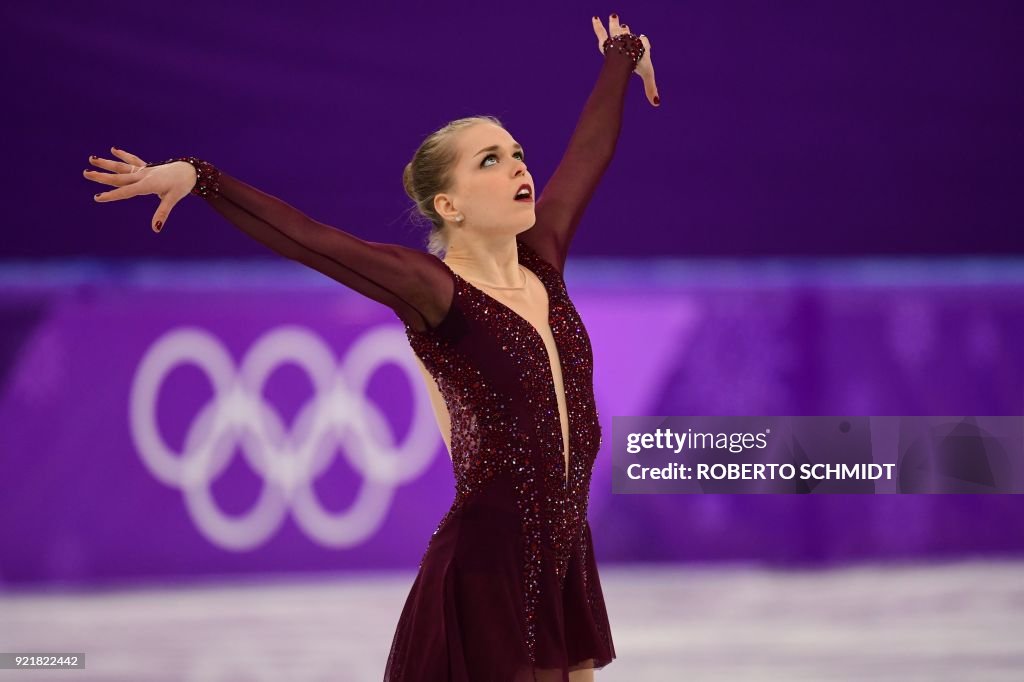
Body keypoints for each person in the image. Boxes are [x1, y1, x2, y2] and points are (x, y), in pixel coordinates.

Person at [84, 14, 659, 681]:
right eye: (491, 161)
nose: (518, 168)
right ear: (450, 205)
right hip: (487, 567)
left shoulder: (545, 260)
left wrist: (623, 56)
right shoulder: (435, 290)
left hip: (561, 553)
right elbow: (315, 240)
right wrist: (203, 178)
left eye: (518, 154)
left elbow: (588, 151)